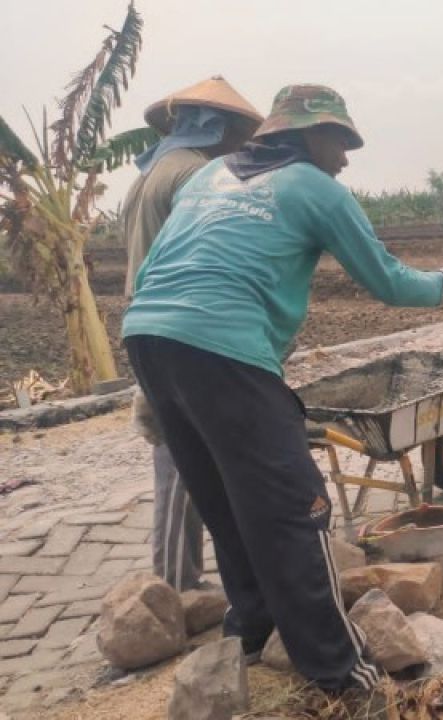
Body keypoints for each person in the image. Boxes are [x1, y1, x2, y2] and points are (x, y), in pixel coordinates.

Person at [122, 85, 443, 692]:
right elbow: (389, 281)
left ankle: (253, 623)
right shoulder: (315, 187)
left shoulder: (205, 180)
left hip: (148, 340)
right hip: (219, 347)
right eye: (340, 141)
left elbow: (162, 267)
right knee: (297, 508)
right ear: (310, 135)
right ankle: (343, 672)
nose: (344, 158)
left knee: (224, 496)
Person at [121, 76, 263, 593]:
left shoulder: (149, 174)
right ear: (219, 128)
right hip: (181, 329)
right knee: (186, 457)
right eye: (240, 134)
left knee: (175, 452)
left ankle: (181, 574)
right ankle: (178, 584)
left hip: (145, 323)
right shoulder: (198, 176)